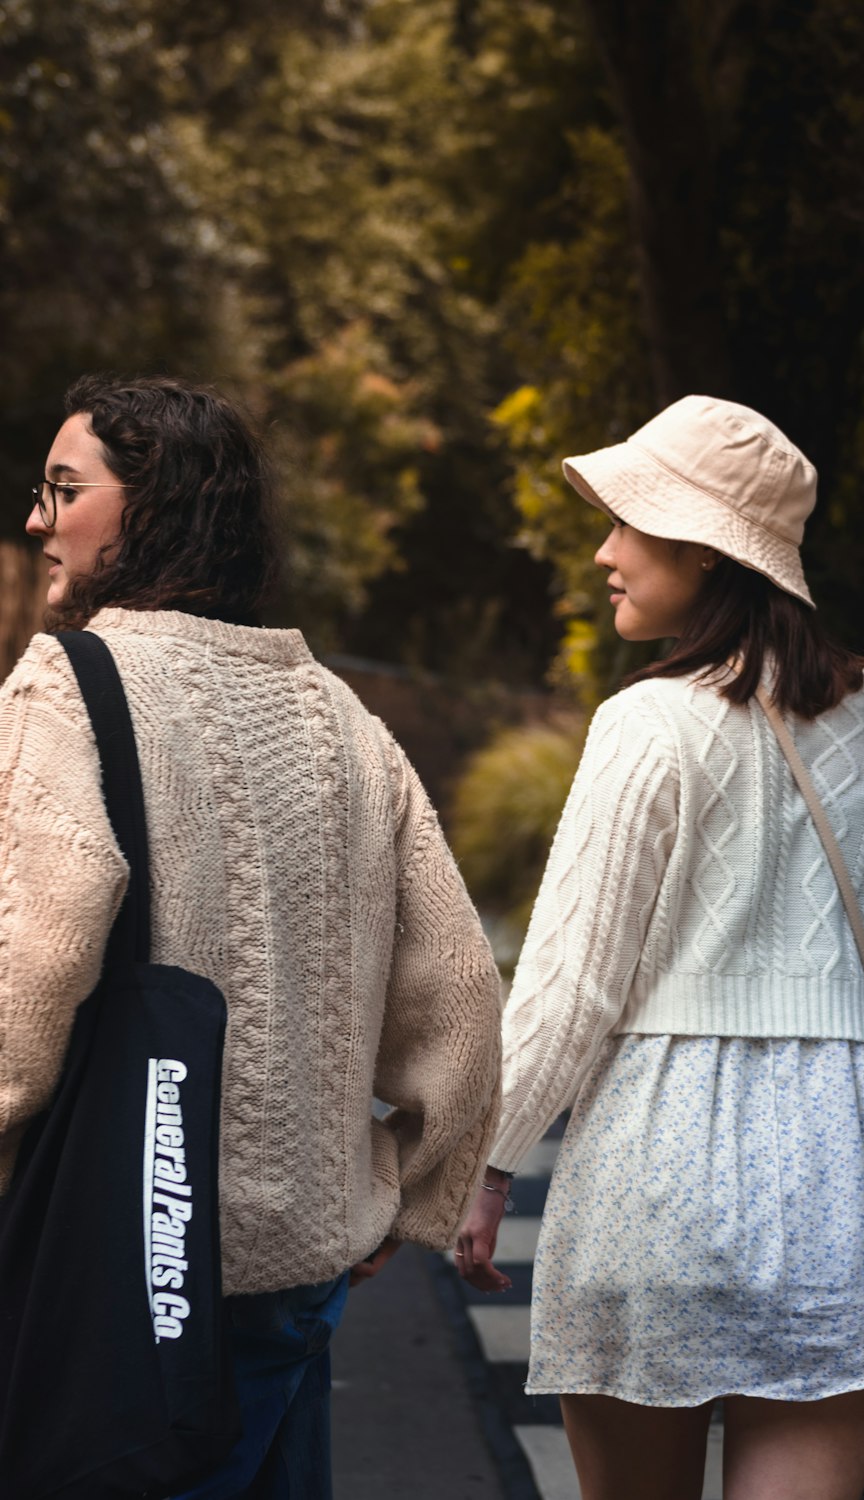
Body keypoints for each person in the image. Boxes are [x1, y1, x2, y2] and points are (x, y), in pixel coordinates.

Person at [2, 373, 502, 1497]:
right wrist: (407, 1195)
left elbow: (30, 975)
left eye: (62, 488)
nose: (36, 516)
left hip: (120, 1278)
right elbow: (463, 990)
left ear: (153, 505)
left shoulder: (67, 685)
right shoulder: (340, 714)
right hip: (300, 1276)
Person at [457, 396, 864, 1500]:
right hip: (842, 1178)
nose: (604, 551)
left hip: (658, 1169)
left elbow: (572, 981)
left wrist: (486, 1163)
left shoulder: (650, 723)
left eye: (628, 522)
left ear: (701, 547)